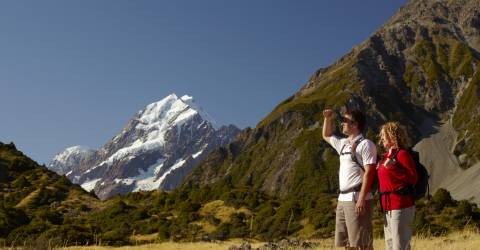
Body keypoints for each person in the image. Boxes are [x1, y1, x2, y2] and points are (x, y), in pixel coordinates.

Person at [322, 109, 377, 250]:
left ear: (355, 124)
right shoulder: (344, 143)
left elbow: (370, 172)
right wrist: (328, 118)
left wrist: (362, 198)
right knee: (347, 245)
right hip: (343, 199)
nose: (342, 123)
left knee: (361, 244)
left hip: (357, 198)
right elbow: (326, 135)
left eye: (345, 121)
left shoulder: (366, 144)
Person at [377, 122, 417, 250]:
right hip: (387, 207)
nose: (381, 138)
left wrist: (393, 167)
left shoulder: (402, 155)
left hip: (401, 205)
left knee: (399, 246)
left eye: (383, 135)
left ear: (392, 136)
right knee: (390, 245)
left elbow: (413, 179)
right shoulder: (385, 158)